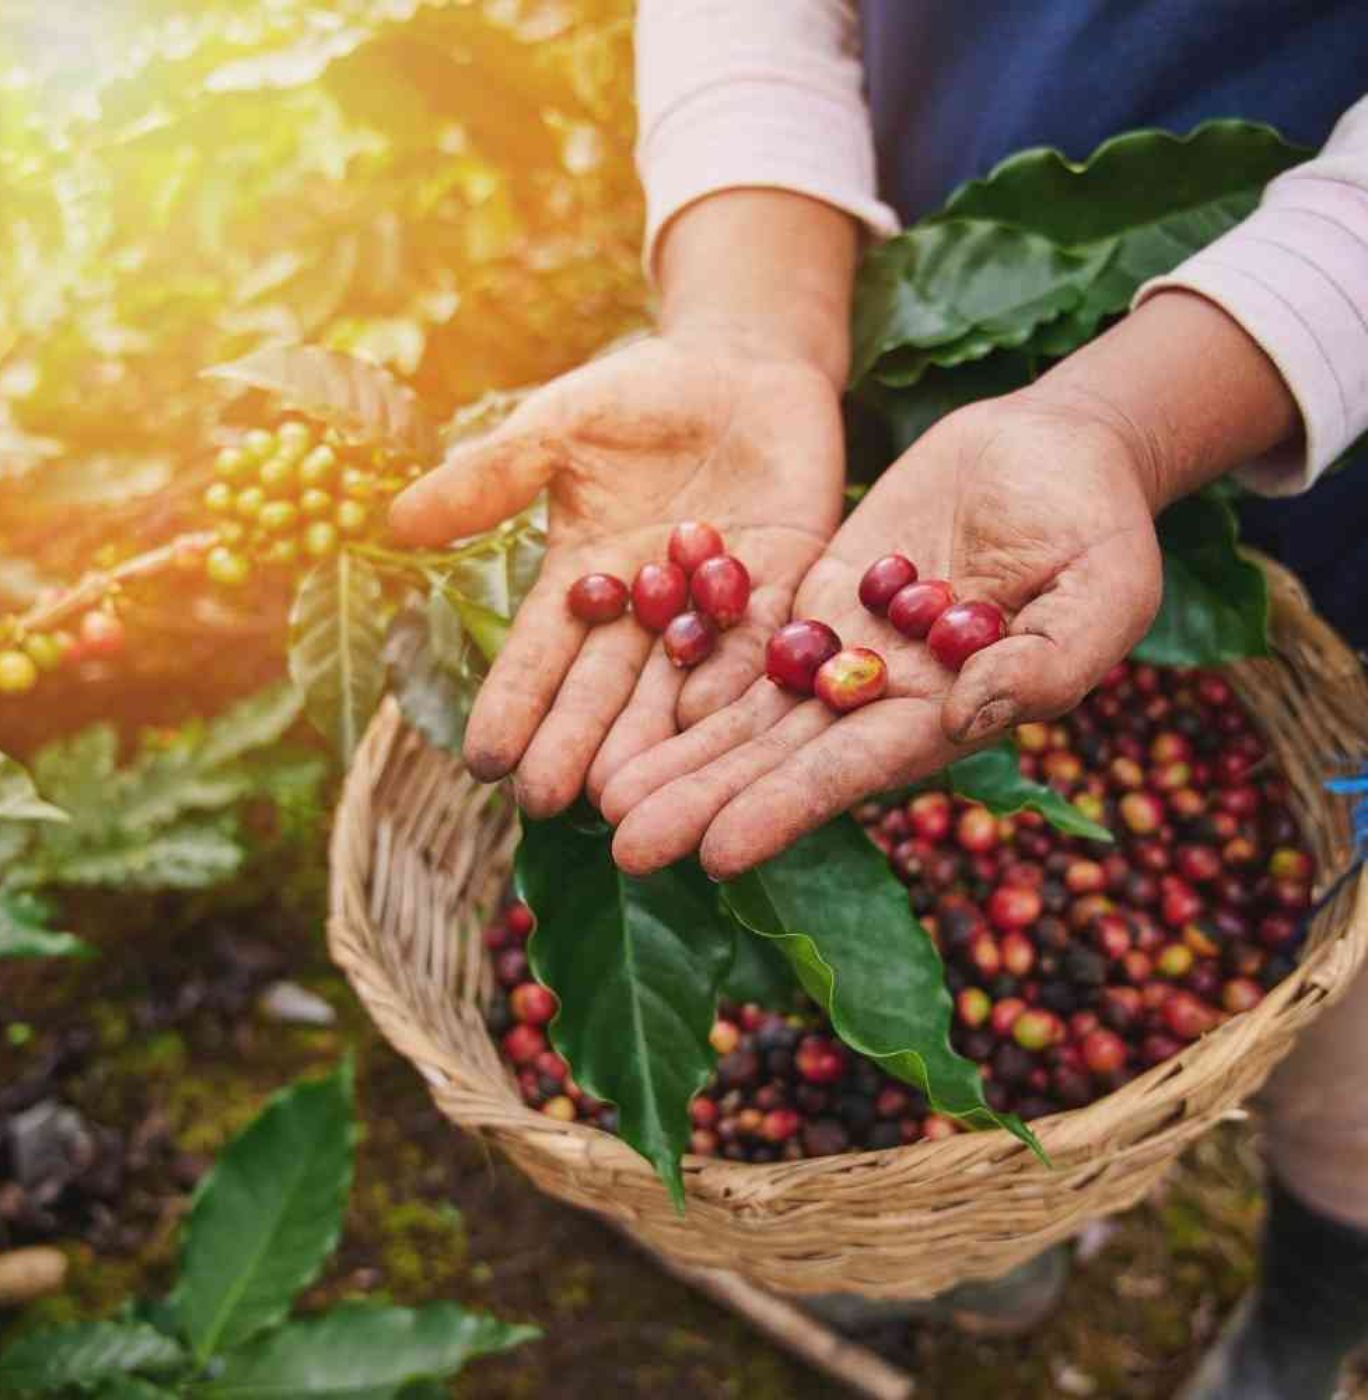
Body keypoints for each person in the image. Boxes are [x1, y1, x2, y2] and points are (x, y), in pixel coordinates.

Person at [391, 5, 1368, 1395]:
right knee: (953, 869)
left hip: (1325, 433)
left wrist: (1135, 418)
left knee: (1353, 1018)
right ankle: (999, 1220)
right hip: (952, 367)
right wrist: (751, 324)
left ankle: (1317, 1306)